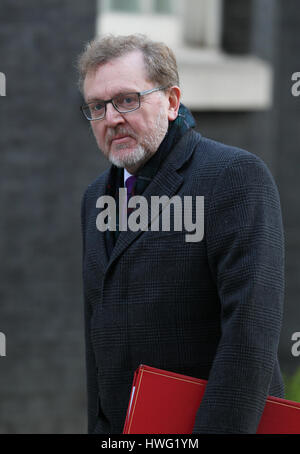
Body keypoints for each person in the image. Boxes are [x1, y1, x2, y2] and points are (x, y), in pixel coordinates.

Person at [78, 34, 285, 434]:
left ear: (172, 102)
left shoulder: (235, 177)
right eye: (97, 106)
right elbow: (97, 343)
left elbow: (249, 336)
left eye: (127, 99)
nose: (111, 118)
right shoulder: (94, 199)